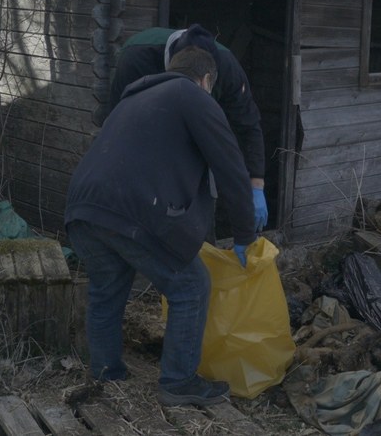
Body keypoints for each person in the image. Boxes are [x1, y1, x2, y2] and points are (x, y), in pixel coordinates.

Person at [64, 46, 257, 407]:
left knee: (106, 290)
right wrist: (246, 235)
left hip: (83, 208)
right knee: (191, 285)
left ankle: (106, 371)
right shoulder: (194, 96)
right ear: (206, 80)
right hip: (133, 210)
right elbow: (230, 167)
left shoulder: (134, 97)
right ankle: (179, 382)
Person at [107, 25, 268, 231]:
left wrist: (256, 186)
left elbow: (249, 126)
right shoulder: (137, 59)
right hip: (149, 131)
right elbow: (116, 121)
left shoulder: (228, 69)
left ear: (209, 78)